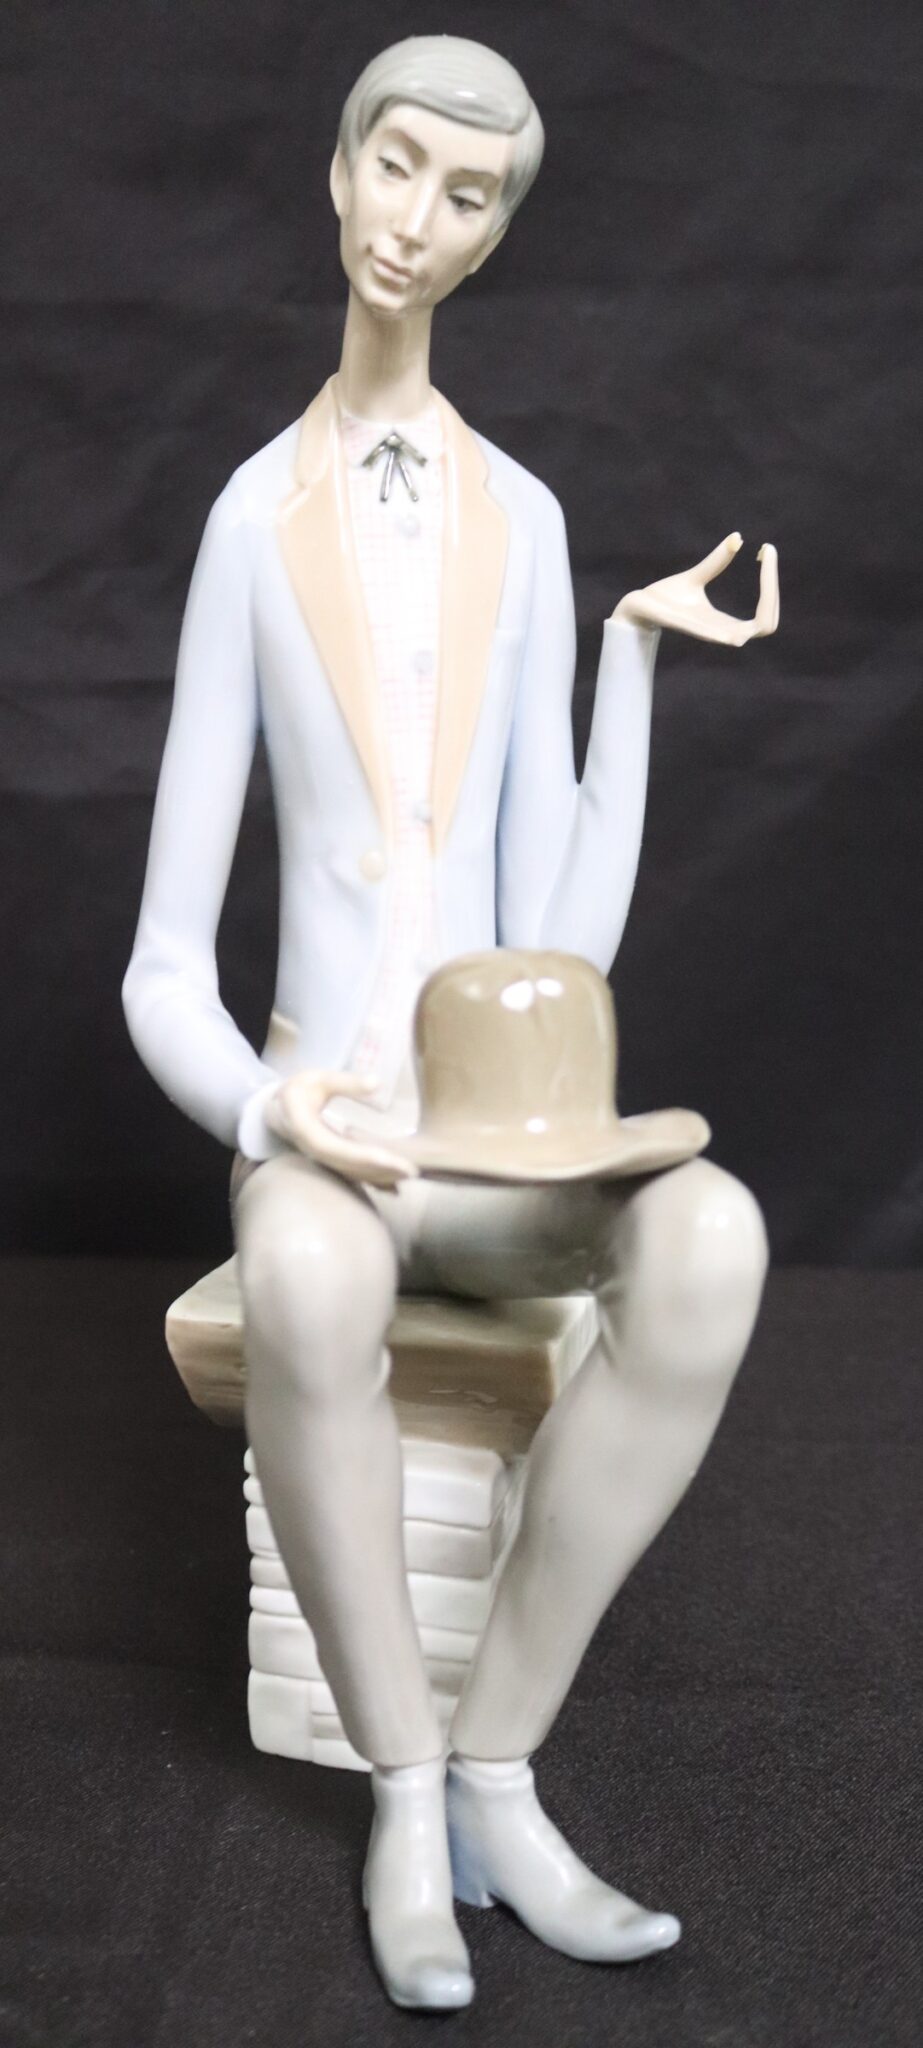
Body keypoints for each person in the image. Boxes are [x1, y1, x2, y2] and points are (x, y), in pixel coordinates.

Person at [123, 35, 778, 2011]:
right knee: (310, 1278)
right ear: (338, 175)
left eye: (465, 193)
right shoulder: (252, 521)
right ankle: (406, 1793)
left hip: (500, 1151)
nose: (415, 220)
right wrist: (274, 1112)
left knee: (714, 1236)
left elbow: (560, 941)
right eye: (395, 167)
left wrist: (627, 669)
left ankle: (500, 1759)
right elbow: (160, 965)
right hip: (334, 1134)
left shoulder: (528, 521)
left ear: (495, 237)